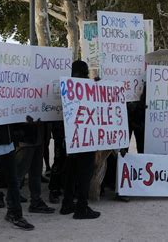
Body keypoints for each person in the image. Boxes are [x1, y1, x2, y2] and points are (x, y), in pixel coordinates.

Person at [60, 60, 100, 219]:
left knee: (71, 171)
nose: (85, 76)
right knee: (84, 172)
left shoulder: (66, 88)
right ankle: (81, 208)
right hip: (83, 138)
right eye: (84, 73)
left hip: (70, 138)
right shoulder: (81, 88)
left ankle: (67, 204)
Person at [14, 116, 55, 214]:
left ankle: (35, 201)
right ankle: (13, 207)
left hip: (38, 136)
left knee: (36, 172)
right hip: (25, 139)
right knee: (19, 173)